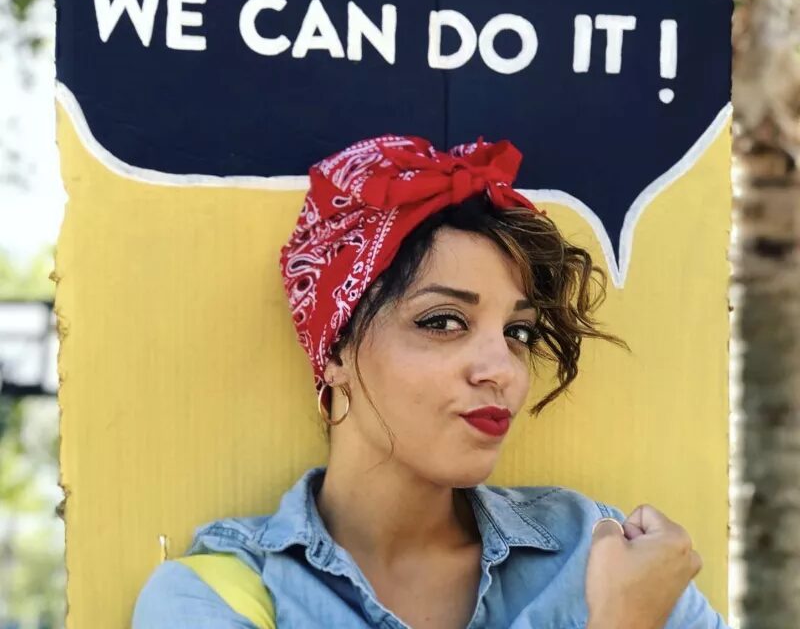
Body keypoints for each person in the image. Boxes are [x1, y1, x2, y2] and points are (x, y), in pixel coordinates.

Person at [133, 134, 730, 628]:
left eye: (518, 332)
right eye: (443, 322)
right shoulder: (217, 598)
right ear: (336, 349)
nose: (501, 369)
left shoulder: (599, 553)